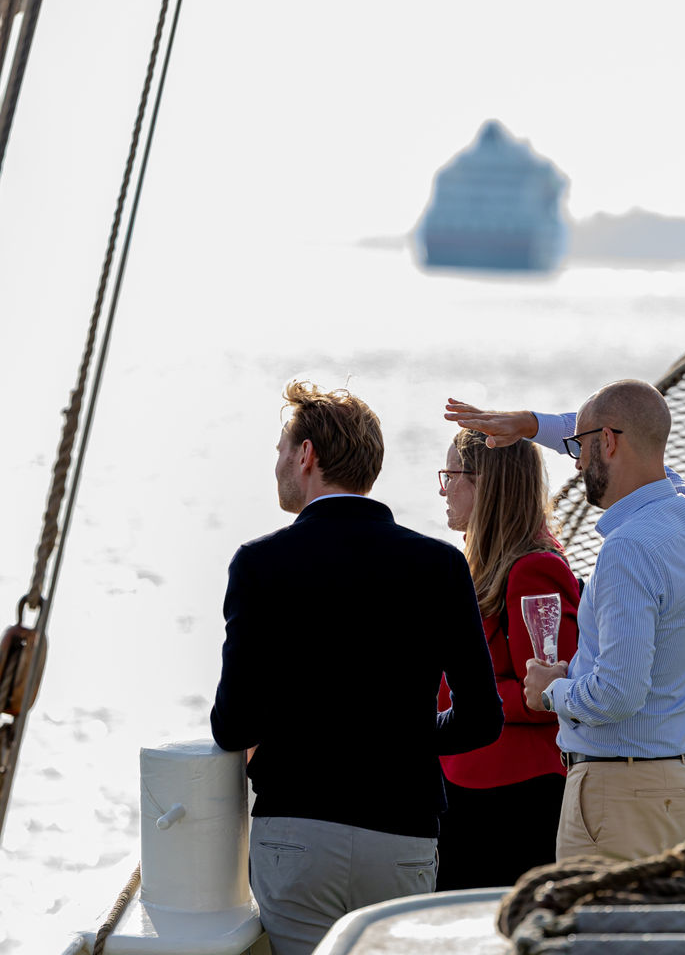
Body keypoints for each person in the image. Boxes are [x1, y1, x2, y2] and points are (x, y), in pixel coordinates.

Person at [212, 382, 502, 955]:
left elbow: (232, 726)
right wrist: (411, 737)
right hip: (401, 833)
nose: (276, 464)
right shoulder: (440, 566)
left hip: (297, 833)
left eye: (280, 450)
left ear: (306, 456)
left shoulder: (260, 564)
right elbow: (481, 720)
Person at [444, 380, 685, 864]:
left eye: (580, 448)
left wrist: (553, 689)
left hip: (620, 791)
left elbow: (618, 693)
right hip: (673, 781)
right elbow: (648, 451)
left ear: (609, 443)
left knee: (596, 936)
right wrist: (532, 427)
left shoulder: (627, 548)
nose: (574, 463)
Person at [434, 428, 581, 889]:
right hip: (469, 786)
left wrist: (469, 696)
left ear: (485, 484)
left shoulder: (535, 568)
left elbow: (548, 695)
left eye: (450, 475)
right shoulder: (481, 565)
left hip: (515, 797)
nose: (442, 488)